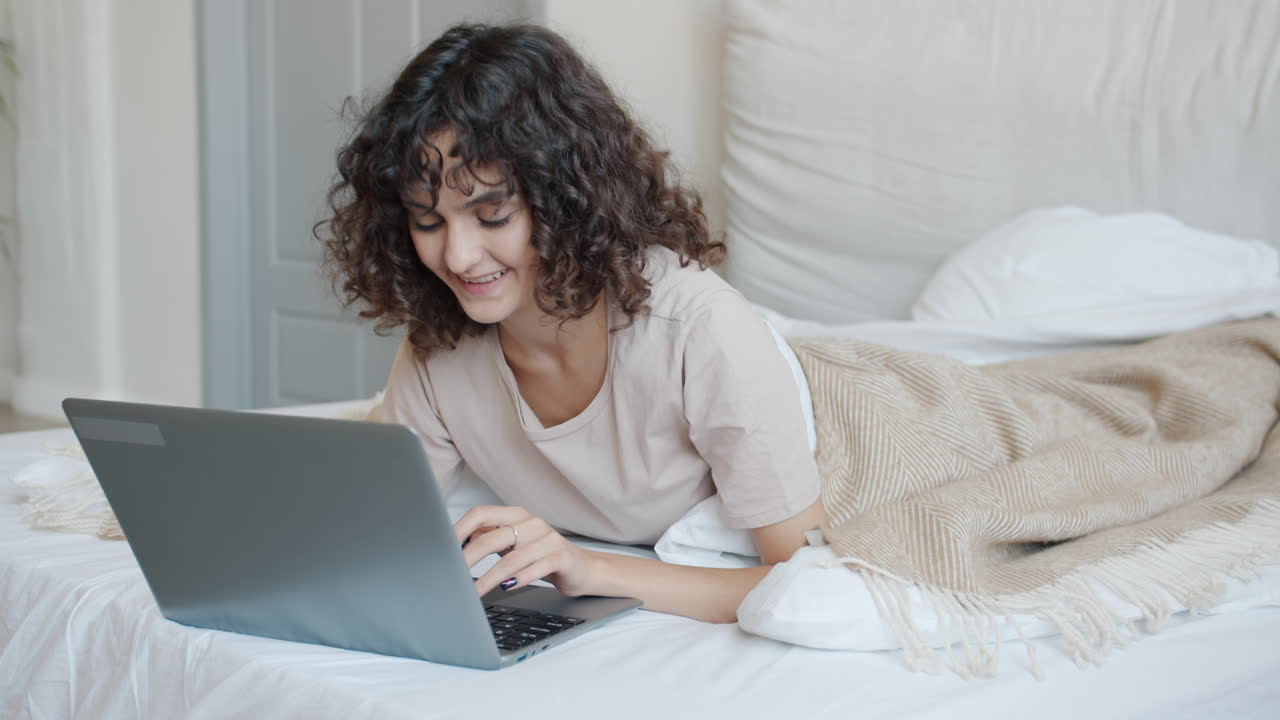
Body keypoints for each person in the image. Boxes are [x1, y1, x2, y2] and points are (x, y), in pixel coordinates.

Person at [319, 22, 826, 624]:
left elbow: (804, 584)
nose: (456, 257)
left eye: (492, 214)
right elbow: (381, 535)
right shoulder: (441, 343)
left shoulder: (699, 330)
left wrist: (588, 570)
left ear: (566, 196)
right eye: (428, 222)